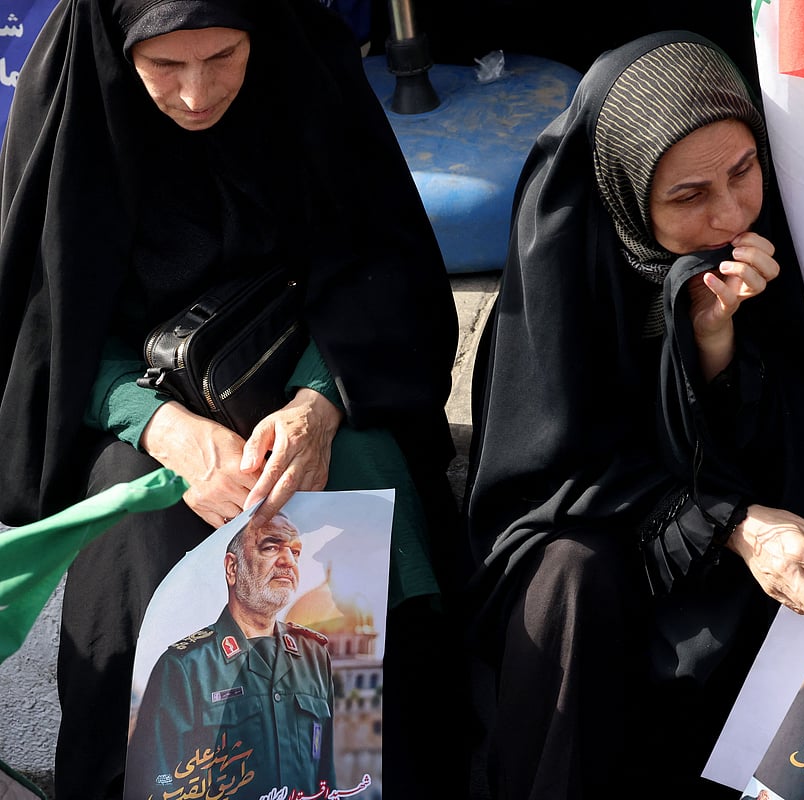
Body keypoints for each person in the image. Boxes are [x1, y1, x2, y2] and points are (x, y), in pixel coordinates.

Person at [0, 1, 463, 797]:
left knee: (353, 481)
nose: (194, 95)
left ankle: (372, 774)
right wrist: (162, 427)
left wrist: (319, 402)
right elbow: (50, 332)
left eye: (221, 58)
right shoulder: (77, 100)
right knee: (137, 513)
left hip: (317, 384)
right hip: (140, 411)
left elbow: (380, 271)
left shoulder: (309, 74)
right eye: (163, 67)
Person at [462, 30, 804, 799]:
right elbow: (549, 481)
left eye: (744, 172)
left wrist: (715, 351)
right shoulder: (562, 274)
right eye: (687, 196)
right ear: (625, 193)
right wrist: (733, 521)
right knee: (569, 577)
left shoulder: (773, 243)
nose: (728, 215)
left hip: (743, 535)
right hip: (614, 538)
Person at [124, 514, 337, 800]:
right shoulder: (185, 666)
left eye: (295, 551)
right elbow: (156, 784)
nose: (288, 561)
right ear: (232, 568)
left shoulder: (314, 656)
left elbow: (326, 777)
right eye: (271, 547)